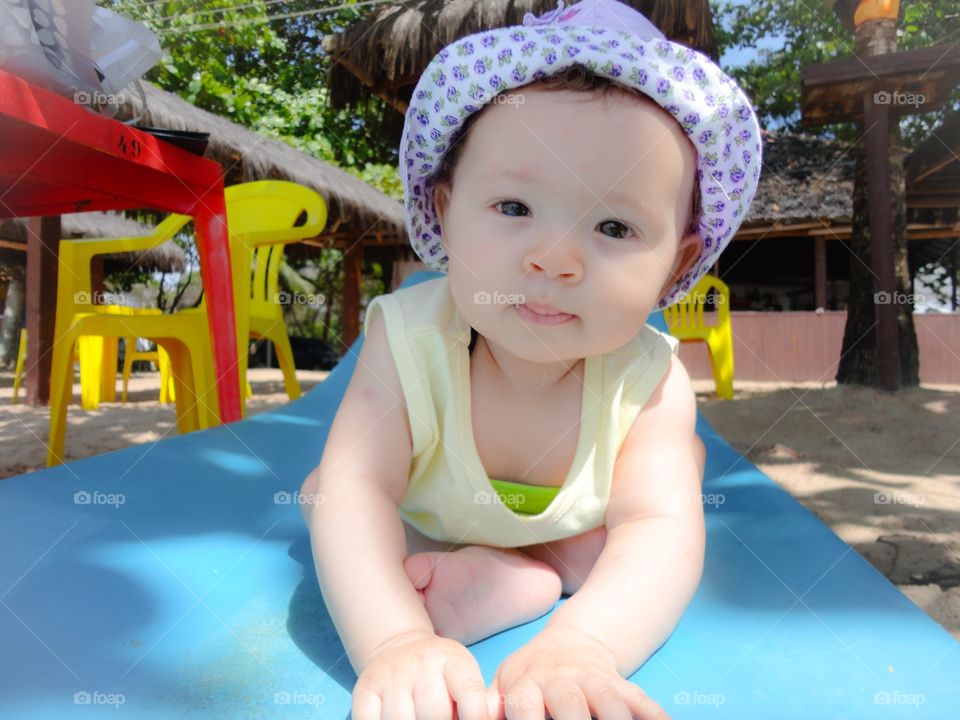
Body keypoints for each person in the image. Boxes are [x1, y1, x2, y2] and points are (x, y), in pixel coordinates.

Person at [300, 1, 760, 717]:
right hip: (435, 519)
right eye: (514, 207)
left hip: (580, 530)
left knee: (667, 499)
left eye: (614, 225)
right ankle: (527, 571)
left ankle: (531, 572)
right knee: (329, 488)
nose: (554, 258)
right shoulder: (409, 335)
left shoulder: (650, 380)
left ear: (679, 264)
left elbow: (659, 534)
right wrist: (393, 642)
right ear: (445, 210)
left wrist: (584, 646)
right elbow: (358, 495)